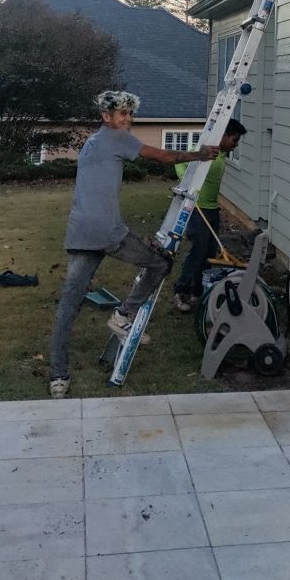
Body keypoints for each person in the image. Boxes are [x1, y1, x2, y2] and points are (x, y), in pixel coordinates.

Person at [48, 89, 219, 398]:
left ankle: (58, 377)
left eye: (130, 113)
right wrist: (200, 154)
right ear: (107, 116)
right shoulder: (118, 138)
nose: (128, 119)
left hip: (80, 233)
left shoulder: (92, 142)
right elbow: (166, 157)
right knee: (161, 262)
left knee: (68, 307)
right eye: (122, 114)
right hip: (108, 233)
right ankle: (123, 316)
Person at [172, 118, 247, 311]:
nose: (235, 145)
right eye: (234, 140)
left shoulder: (221, 154)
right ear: (223, 136)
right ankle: (181, 292)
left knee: (209, 253)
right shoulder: (205, 150)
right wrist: (186, 184)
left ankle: (199, 292)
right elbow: (180, 164)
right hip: (198, 209)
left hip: (212, 209)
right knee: (197, 251)